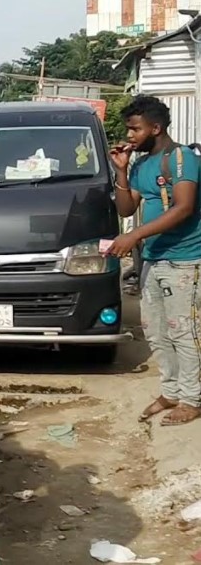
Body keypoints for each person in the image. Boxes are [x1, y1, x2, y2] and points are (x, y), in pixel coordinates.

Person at [107, 95, 201, 426]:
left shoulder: (182, 158)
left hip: (185, 259)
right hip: (153, 260)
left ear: (155, 127)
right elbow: (125, 209)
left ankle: (192, 398)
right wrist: (120, 171)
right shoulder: (141, 165)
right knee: (157, 331)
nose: (130, 136)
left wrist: (135, 236)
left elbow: (184, 207)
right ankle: (172, 390)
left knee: (185, 331)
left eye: (135, 129)